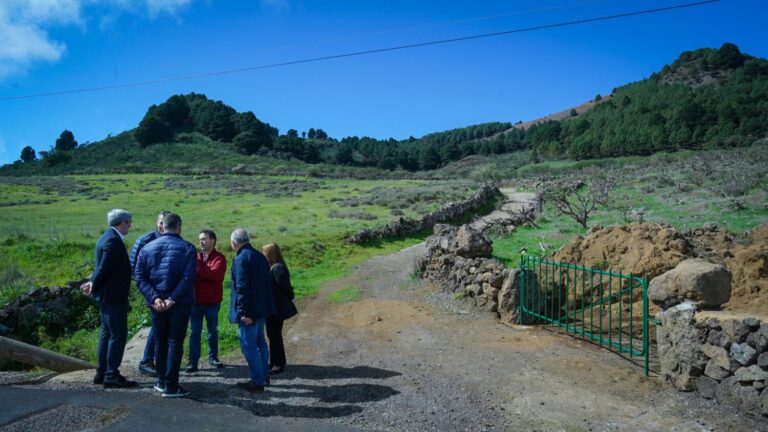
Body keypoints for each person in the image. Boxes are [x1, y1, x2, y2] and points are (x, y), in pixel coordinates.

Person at [135, 213, 197, 398]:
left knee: (160, 341)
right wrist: (173, 299)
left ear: (163, 226)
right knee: (175, 343)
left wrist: (154, 298)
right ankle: (171, 385)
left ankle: (161, 381)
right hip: (179, 303)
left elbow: (139, 277)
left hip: (157, 304)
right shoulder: (187, 248)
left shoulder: (146, 248)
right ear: (178, 226)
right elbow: (188, 278)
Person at [80, 209, 138, 389]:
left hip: (106, 296)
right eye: (129, 222)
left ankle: (102, 371)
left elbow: (101, 268)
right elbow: (104, 268)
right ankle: (111, 374)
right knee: (118, 335)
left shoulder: (106, 237)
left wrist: (92, 283)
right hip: (113, 296)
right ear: (122, 222)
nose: (130, 225)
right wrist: (94, 285)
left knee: (106, 334)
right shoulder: (113, 241)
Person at [229, 228, 275, 392]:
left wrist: (244, 313)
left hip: (249, 312)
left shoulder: (241, 258)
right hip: (261, 309)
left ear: (234, 243)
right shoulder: (260, 256)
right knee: (260, 342)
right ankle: (264, 375)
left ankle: (258, 380)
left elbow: (242, 288)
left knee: (249, 346)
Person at [129, 210, 171, 377]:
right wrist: (151, 293)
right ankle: (147, 361)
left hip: (165, 292)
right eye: (160, 222)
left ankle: (158, 360)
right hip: (150, 291)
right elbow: (135, 270)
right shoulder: (144, 241)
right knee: (157, 324)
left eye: (165, 222)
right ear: (156, 222)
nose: (162, 225)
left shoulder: (170, 240)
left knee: (160, 325)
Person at [185, 229, 227, 372]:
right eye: (200, 239)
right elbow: (191, 276)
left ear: (212, 240)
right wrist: (202, 274)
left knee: (212, 331)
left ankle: (213, 358)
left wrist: (198, 271)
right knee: (194, 332)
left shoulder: (219, 258)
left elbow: (215, 275)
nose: (201, 242)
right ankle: (192, 361)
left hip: (212, 303)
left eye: (204, 239)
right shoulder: (195, 257)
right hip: (195, 303)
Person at [262, 243, 298, 375]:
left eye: (264, 252)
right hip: (273, 308)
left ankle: (278, 364)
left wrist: (288, 297)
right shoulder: (273, 267)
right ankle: (275, 361)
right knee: (272, 335)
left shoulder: (278, 269)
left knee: (275, 335)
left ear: (270, 253)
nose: (263, 255)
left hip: (277, 308)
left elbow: (287, 289)